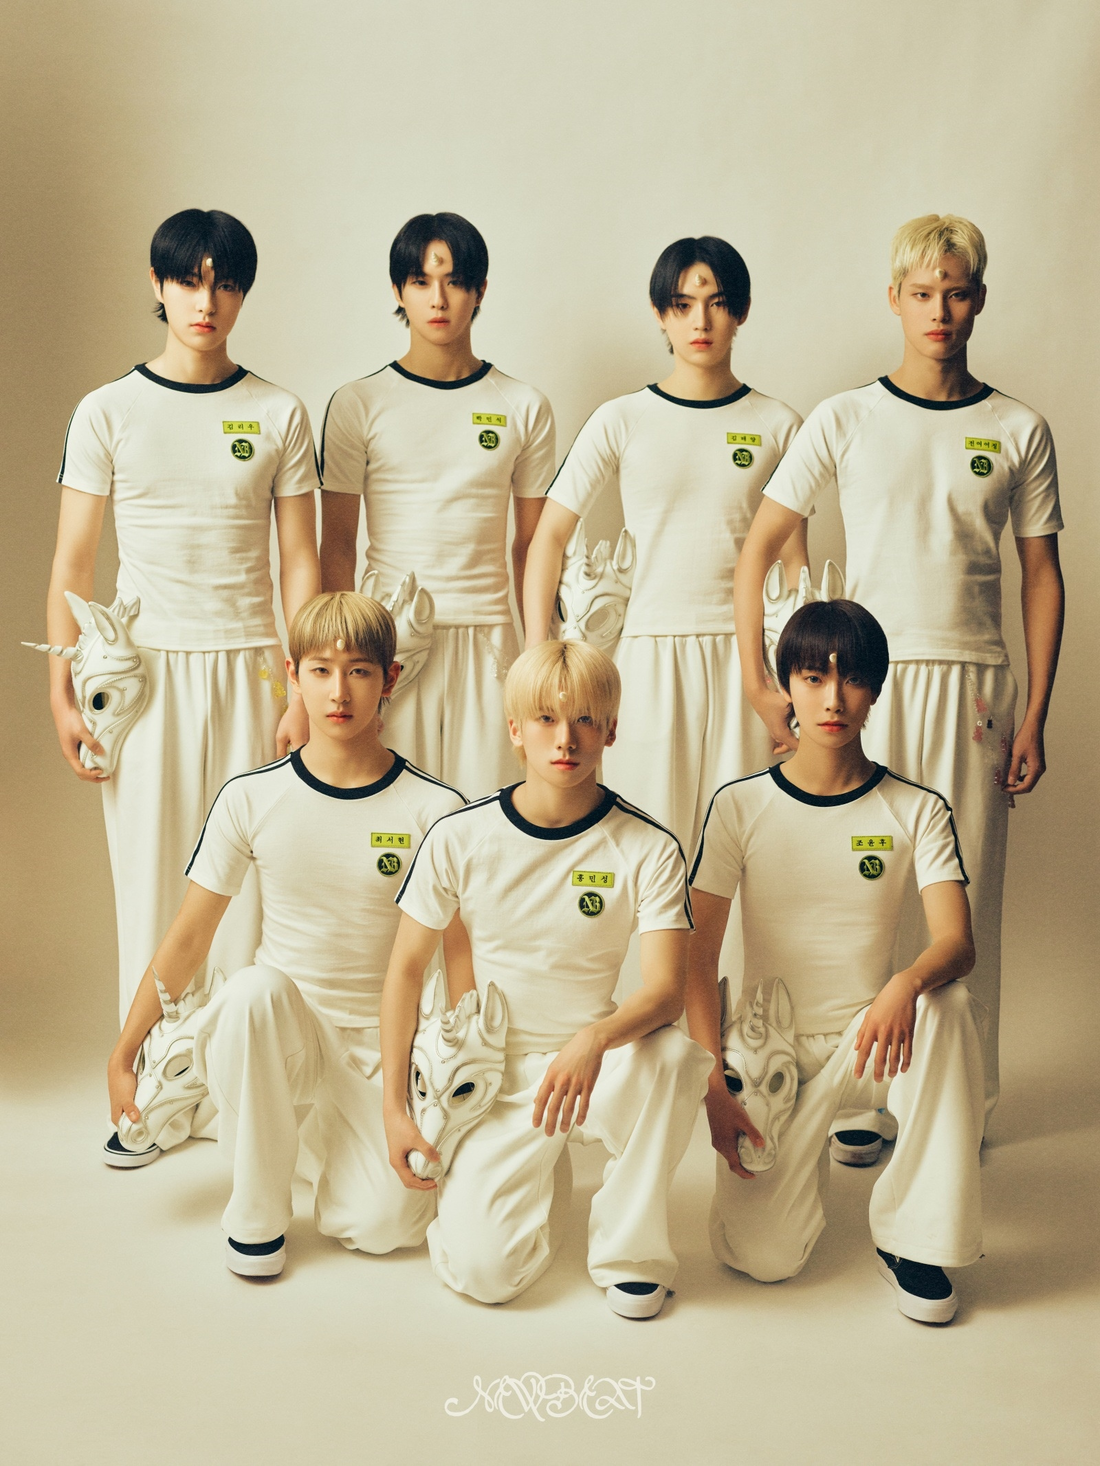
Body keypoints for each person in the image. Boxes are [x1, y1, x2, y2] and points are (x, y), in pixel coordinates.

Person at [733, 213, 1063, 1131]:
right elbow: (759, 547)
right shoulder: (845, 417)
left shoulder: (1018, 428)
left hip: (973, 685)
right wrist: (763, 684)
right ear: (895, 300)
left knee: (966, 894)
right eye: (922, 294)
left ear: (979, 300)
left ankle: (960, 1100)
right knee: (864, 889)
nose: (939, 312)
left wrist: (1036, 712)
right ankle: (860, 1095)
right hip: (864, 683)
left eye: (955, 294)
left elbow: (1042, 574)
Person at [106, 593, 468, 1276]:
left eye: (359, 671)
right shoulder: (251, 796)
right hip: (276, 1038)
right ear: (293, 676)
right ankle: (257, 1214)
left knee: (385, 1228)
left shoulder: (437, 810)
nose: (339, 692)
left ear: (389, 679)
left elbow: (460, 962)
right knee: (253, 990)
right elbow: (189, 938)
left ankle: (323, 1145)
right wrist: (124, 1053)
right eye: (321, 671)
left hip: (380, 1051)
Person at [380, 640, 713, 1318]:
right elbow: (406, 972)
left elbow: (665, 992)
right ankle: (532, 1176)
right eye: (547, 719)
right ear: (515, 730)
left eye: (586, 719)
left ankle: (630, 1255)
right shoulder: (460, 837)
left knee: (674, 1059)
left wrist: (594, 1039)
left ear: (611, 730)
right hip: (495, 1072)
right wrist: (394, 1107)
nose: (567, 739)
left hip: (594, 1062)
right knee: (484, 1276)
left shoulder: (648, 846)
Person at [47, 208, 321, 1025]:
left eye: (226, 284)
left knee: (247, 887)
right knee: (151, 882)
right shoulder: (107, 411)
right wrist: (62, 694)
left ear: (243, 294)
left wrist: (302, 688)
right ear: (158, 285)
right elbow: (72, 564)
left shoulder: (278, 413)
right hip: (144, 676)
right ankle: (146, 1072)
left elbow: (299, 562)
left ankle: (235, 1075)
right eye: (190, 282)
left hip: (253, 668)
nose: (207, 302)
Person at [687, 600, 984, 1324]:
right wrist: (713, 1084)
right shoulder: (739, 805)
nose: (832, 698)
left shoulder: (915, 808)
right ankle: (790, 1179)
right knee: (764, 1259)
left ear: (874, 689)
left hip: (871, 1039)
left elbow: (957, 942)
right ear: (787, 684)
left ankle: (915, 1239)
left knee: (947, 1004)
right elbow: (695, 960)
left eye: (851, 678)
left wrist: (906, 982)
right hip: (769, 1053)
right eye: (814, 677)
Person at [523, 235, 805, 854]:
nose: (700, 322)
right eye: (682, 305)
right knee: (642, 845)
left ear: (742, 310)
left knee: (739, 849)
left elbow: (794, 569)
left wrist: (788, 686)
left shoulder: (780, 425)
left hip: (745, 661)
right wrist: (536, 657)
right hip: (645, 659)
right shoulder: (621, 419)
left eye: (717, 303)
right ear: (660, 314)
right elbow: (549, 536)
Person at [319, 212, 556, 799]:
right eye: (421, 282)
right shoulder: (357, 404)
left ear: (480, 290)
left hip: (490, 640)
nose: (439, 299)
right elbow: (338, 545)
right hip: (388, 639)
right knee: (392, 815)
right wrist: (341, 661)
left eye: (454, 282)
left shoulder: (523, 406)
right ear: (398, 290)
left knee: (490, 814)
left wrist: (539, 652)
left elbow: (532, 545)